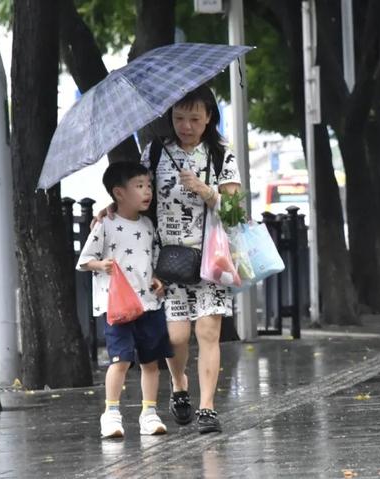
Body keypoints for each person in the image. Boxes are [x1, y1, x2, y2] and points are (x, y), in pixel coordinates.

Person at [97, 85, 241, 434]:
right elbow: (138, 194)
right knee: (175, 337)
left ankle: (207, 407)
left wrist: (207, 191)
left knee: (208, 330)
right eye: (179, 118)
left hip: (210, 258)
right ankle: (180, 386)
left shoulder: (222, 154)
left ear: (209, 117)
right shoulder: (157, 152)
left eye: (195, 118)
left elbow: (236, 211)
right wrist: (112, 210)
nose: (186, 125)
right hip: (165, 260)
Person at [77, 161, 171, 439]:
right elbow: (84, 261)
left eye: (149, 186)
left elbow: (151, 258)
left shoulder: (148, 224)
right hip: (117, 308)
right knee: (119, 360)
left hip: (148, 305)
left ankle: (149, 413)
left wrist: (156, 279)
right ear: (119, 193)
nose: (147, 192)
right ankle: (111, 413)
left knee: (151, 362)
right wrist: (101, 265)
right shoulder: (105, 224)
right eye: (139, 186)